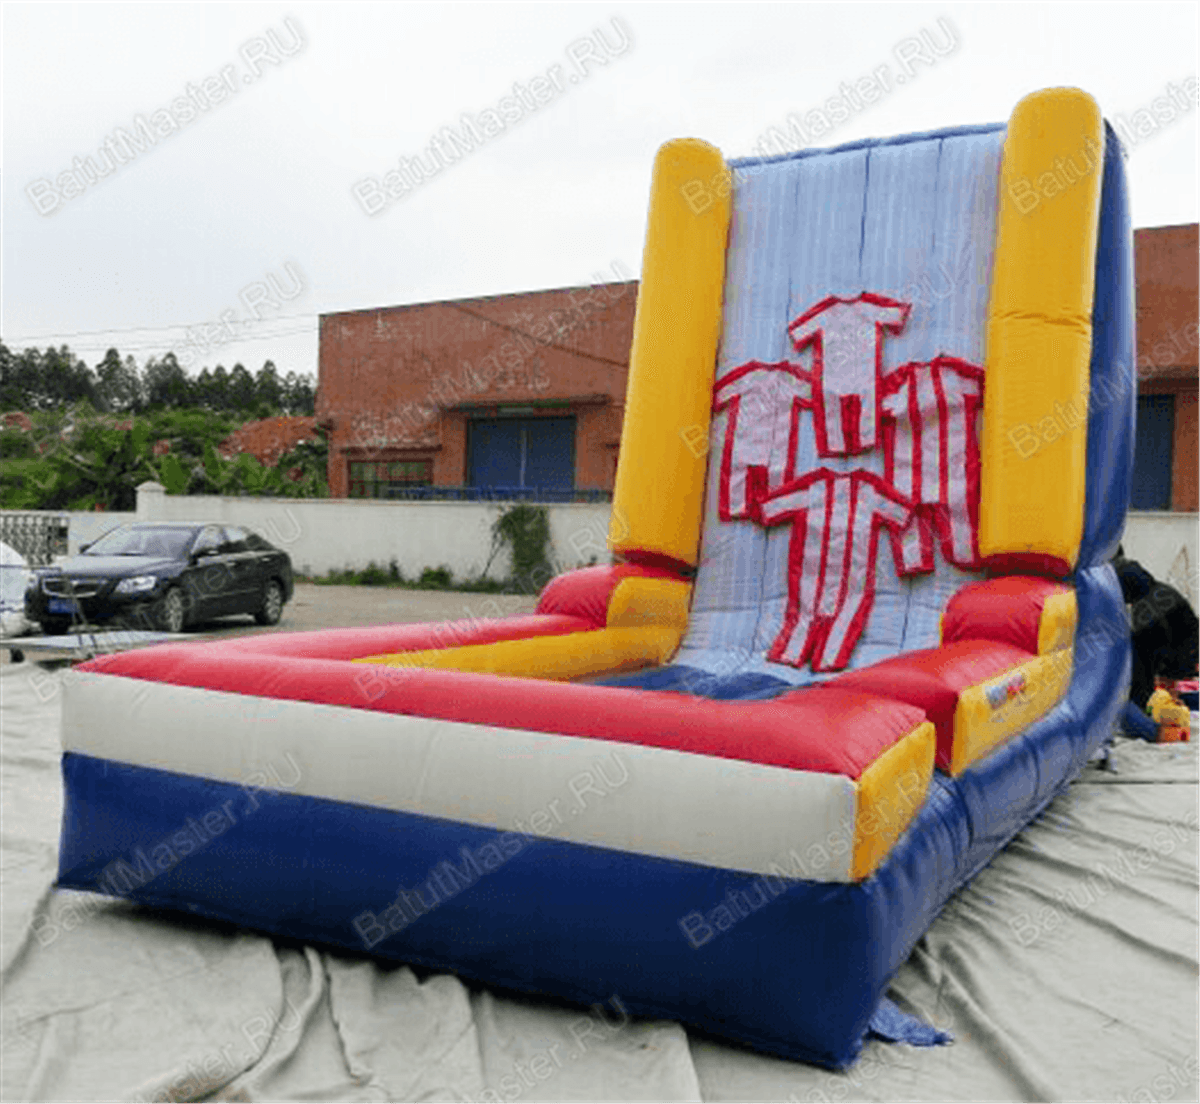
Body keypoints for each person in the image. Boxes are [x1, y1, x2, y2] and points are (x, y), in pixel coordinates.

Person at [1113, 548, 1198, 736]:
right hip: (1172, 618)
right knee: (1161, 681)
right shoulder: (1132, 569)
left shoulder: (1112, 572)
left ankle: (1157, 721)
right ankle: (1165, 712)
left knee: (1145, 683)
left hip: (1156, 622)